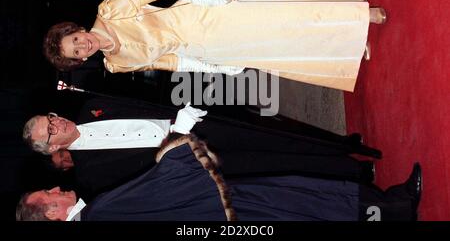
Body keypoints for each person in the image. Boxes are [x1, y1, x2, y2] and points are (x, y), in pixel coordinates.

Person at [43, 0, 386, 92]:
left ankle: (357, 16)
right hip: (206, 49)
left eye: (75, 39)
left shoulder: (108, 11)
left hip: (203, 16)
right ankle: (348, 45)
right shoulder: (117, 64)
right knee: (277, 46)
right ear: (79, 60)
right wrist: (216, 69)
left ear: (75, 30)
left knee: (281, 19)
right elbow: (173, 63)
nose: (83, 45)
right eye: (77, 52)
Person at [23, 97, 379, 198]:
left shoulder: (90, 107)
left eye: (51, 118)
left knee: (278, 135)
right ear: (50, 147)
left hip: (198, 122)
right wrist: (175, 138)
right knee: (276, 163)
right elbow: (149, 175)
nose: (57, 125)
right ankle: (354, 171)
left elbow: (144, 100)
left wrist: (182, 112)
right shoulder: (90, 174)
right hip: (197, 160)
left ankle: (344, 146)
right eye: (50, 131)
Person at [16, 134, 422, 221]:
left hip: (221, 206)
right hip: (228, 210)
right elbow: (163, 194)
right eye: (48, 193)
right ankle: (394, 209)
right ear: (53, 216)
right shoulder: (100, 214)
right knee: (310, 201)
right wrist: (177, 153)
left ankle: (390, 203)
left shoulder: (97, 211)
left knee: (307, 197)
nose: (55, 188)